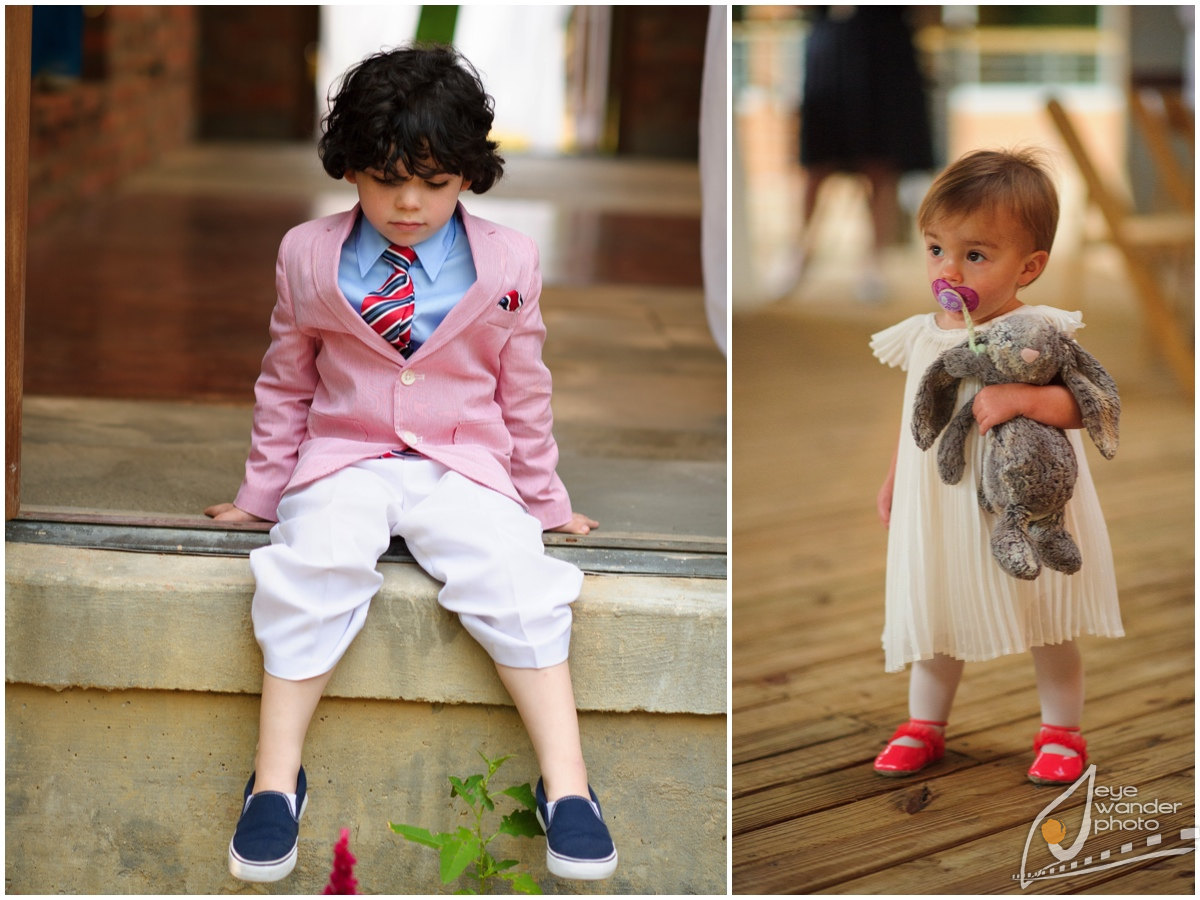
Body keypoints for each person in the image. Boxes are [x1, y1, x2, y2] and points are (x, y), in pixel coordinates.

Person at [205, 44, 617, 884]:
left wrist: (544, 503)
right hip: (344, 457)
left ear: (468, 175)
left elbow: (524, 392)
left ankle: (568, 787)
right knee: (312, 563)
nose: (407, 202)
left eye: (433, 182)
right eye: (386, 177)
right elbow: (285, 383)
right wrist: (261, 494)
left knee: (513, 574)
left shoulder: (508, 262)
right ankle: (275, 784)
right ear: (349, 167)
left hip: (465, 461)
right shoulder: (307, 255)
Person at [869, 148, 1122, 785]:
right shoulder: (928, 334)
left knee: (1048, 612)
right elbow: (917, 419)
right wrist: (898, 477)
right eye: (935, 249)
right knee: (939, 604)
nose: (948, 269)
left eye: (975, 255)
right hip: (943, 498)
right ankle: (924, 723)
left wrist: (1026, 398)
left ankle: (1062, 731)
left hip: (1030, 501)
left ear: (1029, 267)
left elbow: (1089, 404)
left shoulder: (1039, 332)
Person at [798, 6, 935, 301]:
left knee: (880, 165)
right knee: (817, 163)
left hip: (884, 50)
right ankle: (798, 253)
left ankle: (874, 263)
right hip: (829, 48)